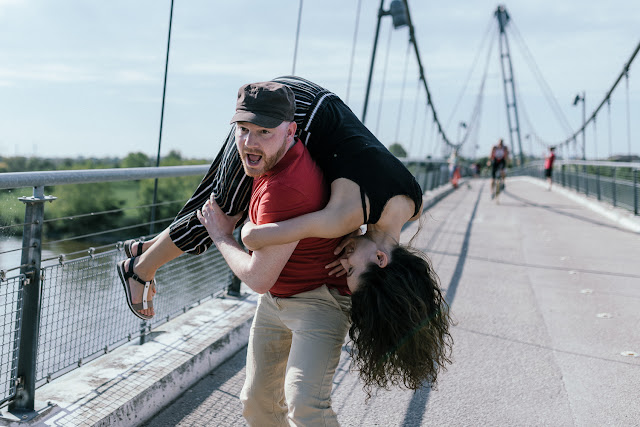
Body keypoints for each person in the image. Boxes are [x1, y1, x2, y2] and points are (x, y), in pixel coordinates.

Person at [117, 76, 452, 395]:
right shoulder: (341, 217)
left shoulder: (412, 203)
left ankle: (146, 248)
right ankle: (140, 270)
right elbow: (255, 238)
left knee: (209, 195)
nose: (343, 260)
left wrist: (354, 240)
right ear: (380, 258)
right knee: (223, 213)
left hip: (317, 99)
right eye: (351, 267)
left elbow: (368, 192)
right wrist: (231, 234)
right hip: (292, 114)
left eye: (344, 269)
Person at [196, 81, 350, 425]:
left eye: (264, 131)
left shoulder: (285, 188)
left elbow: (258, 277)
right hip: (277, 302)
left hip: (318, 301)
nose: (250, 143)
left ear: (290, 130)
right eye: (243, 129)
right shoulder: (270, 157)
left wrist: (221, 235)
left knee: (307, 406)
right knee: (257, 403)